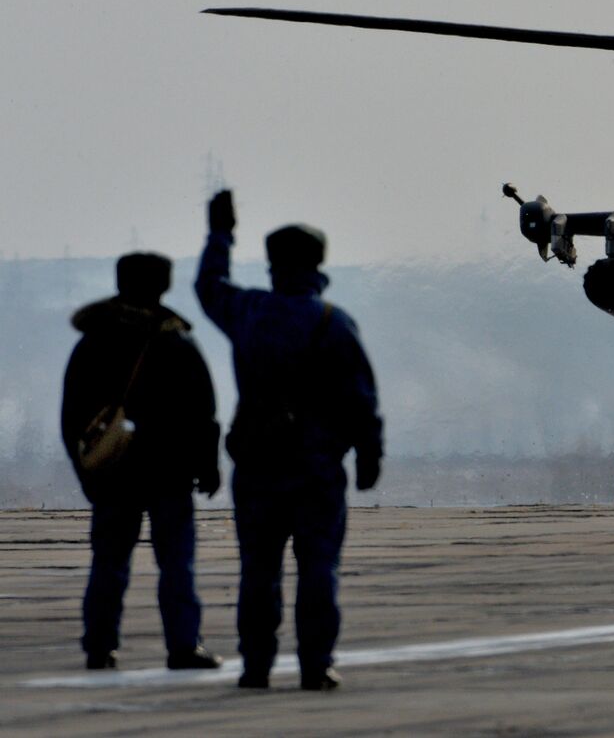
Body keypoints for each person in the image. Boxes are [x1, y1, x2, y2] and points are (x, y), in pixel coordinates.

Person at [195, 190, 383, 691]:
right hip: (317, 471)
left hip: (257, 467)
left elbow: (208, 286)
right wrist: (369, 456)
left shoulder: (248, 312)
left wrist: (219, 234)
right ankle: (315, 665)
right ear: (317, 264)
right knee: (319, 568)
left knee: (258, 572)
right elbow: (361, 400)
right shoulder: (334, 324)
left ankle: (255, 666)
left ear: (274, 263)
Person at [61, 252, 222, 671]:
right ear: (165, 285)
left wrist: (86, 472)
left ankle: (99, 646)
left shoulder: (92, 341)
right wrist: (208, 466)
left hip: (113, 474)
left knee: (109, 563)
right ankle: (183, 645)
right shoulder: (175, 341)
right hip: (170, 472)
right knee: (176, 565)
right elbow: (203, 411)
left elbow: (73, 416)